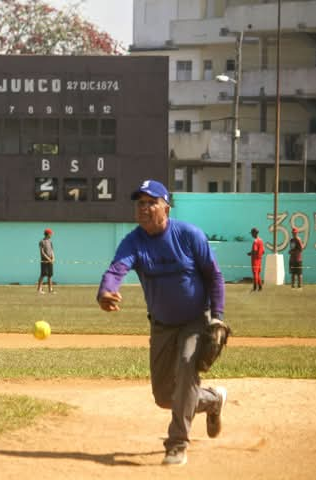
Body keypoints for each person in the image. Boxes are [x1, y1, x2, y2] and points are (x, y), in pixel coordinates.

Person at [97, 179, 227, 467]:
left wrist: (217, 316)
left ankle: (177, 444)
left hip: (196, 320)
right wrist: (106, 290)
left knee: (185, 366)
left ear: (166, 207)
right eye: (140, 203)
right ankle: (212, 401)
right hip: (162, 325)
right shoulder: (134, 241)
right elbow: (117, 268)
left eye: (150, 202)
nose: (144, 208)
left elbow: (214, 276)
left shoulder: (189, 235)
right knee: (165, 396)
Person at [36, 228, 55, 294]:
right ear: (48, 234)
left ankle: (50, 290)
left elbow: (52, 250)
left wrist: (53, 258)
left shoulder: (50, 241)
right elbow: (42, 252)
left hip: (50, 261)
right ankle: (39, 290)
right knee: (43, 275)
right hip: (44, 261)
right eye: (51, 234)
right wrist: (48, 259)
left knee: (50, 275)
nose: (51, 235)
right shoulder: (42, 242)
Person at [248, 227, 265, 291]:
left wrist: (250, 253)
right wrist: (259, 255)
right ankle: (260, 287)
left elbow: (255, 250)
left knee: (255, 273)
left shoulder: (255, 241)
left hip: (255, 259)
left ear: (254, 233)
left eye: (252, 233)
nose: (251, 235)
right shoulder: (261, 240)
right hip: (259, 259)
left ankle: (255, 287)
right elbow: (263, 251)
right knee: (258, 273)